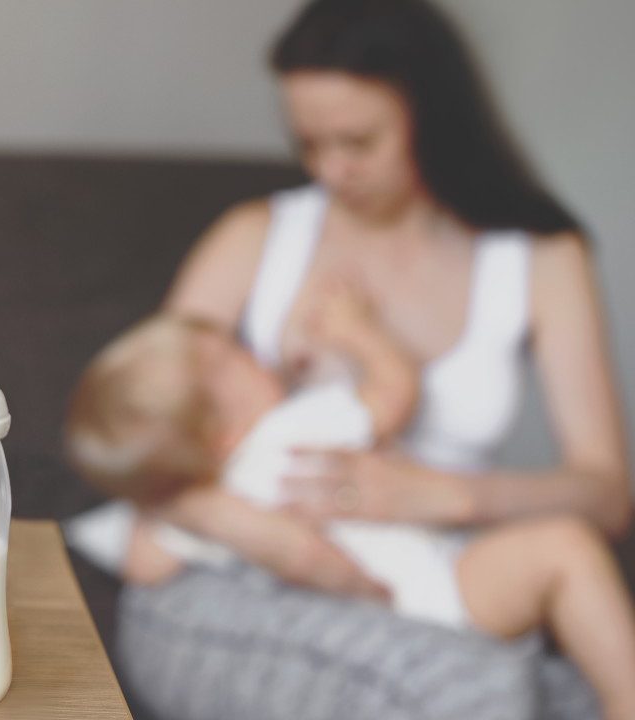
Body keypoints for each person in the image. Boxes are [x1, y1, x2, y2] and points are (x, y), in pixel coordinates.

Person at [66, 0, 632, 717]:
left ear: (433, 118)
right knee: (484, 690)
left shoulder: (541, 259)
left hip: (434, 561)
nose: (333, 169)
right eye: (309, 143)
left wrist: (448, 495)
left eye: (359, 141)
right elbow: (151, 429)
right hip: (255, 576)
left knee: (562, 592)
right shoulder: (254, 236)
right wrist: (268, 537)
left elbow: (606, 497)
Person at [66, 296, 635, 718]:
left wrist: (174, 501)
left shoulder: (213, 501)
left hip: (378, 613)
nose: (255, 356)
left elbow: (144, 565)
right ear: (222, 425)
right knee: (565, 547)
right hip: (434, 589)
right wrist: (357, 332)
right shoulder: (293, 433)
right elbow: (394, 394)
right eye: (237, 356)